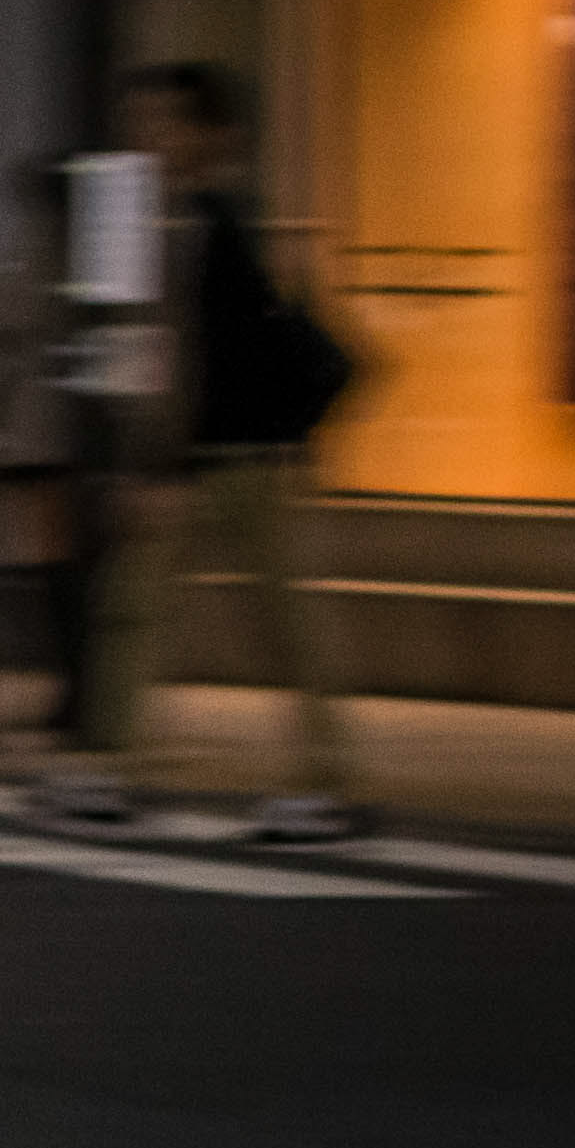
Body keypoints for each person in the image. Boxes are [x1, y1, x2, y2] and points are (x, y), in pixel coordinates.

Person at [49, 64, 364, 839]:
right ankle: (114, 770)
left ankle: (327, 781)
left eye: (162, 122)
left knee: (279, 618)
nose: (145, 138)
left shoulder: (228, 225)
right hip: (180, 457)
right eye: (137, 122)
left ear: (207, 135)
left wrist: (165, 469)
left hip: (241, 457)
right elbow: (130, 352)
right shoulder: (142, 224)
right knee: (133, 612)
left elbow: (221, 358)